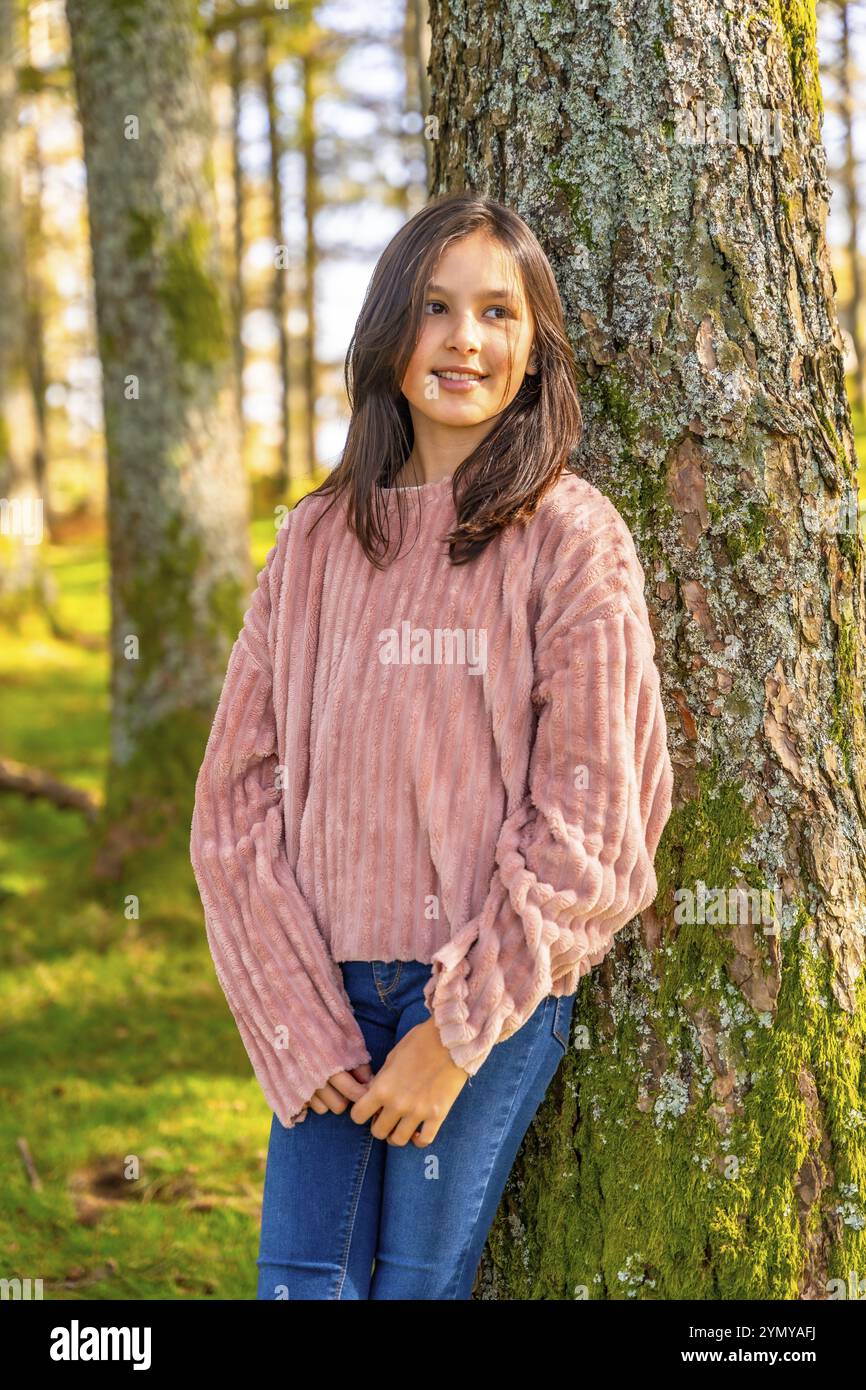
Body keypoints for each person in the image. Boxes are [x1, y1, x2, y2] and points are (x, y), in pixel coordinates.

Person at [189, 190, 674, 1300]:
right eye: (435, 307)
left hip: (489, 989)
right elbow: (234, 801)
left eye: (496, 313)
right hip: (320, 984)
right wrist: (292, 1012)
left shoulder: (567, 535)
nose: (463, 340)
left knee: (415, 1285)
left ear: (531, 347)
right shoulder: (313, 541)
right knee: (301, 1285)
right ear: (387, 334)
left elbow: (599, 818)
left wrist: (453, 1034)